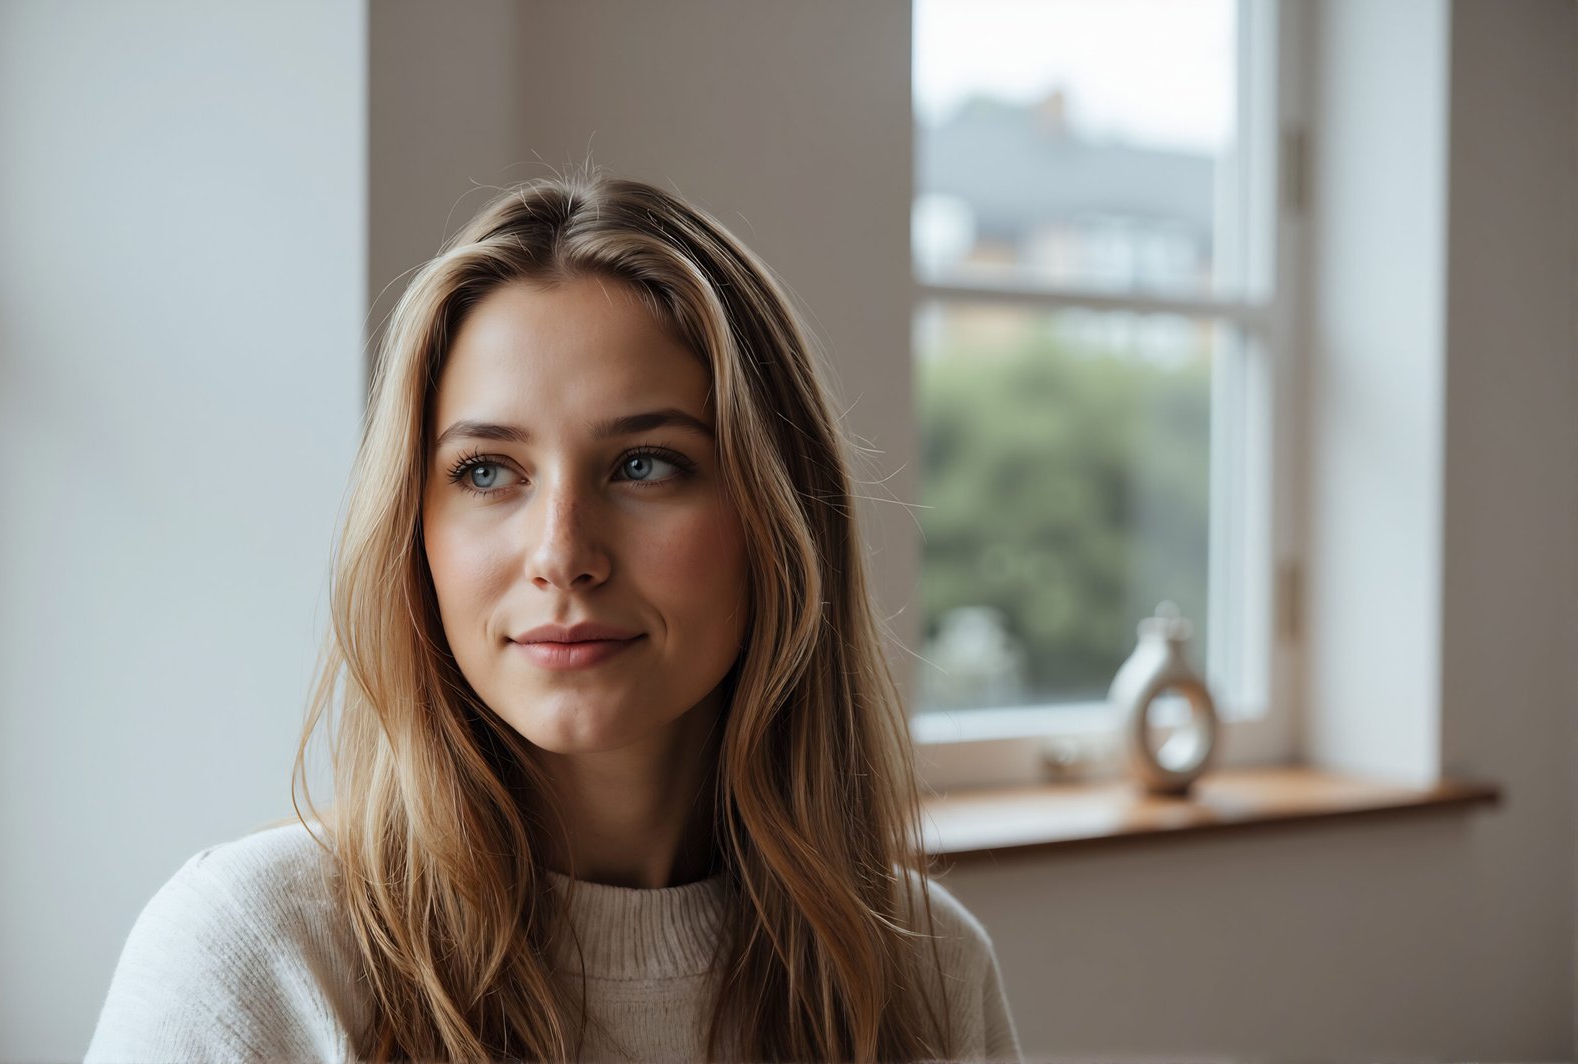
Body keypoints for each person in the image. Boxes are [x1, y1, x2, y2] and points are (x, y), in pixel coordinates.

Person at [85, 172, 1021, 1062]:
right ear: (415, 533)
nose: (562, 552)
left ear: (774, 520)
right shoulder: (255, 962)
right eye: (487, 472)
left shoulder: (920, 967)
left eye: (645, 464)